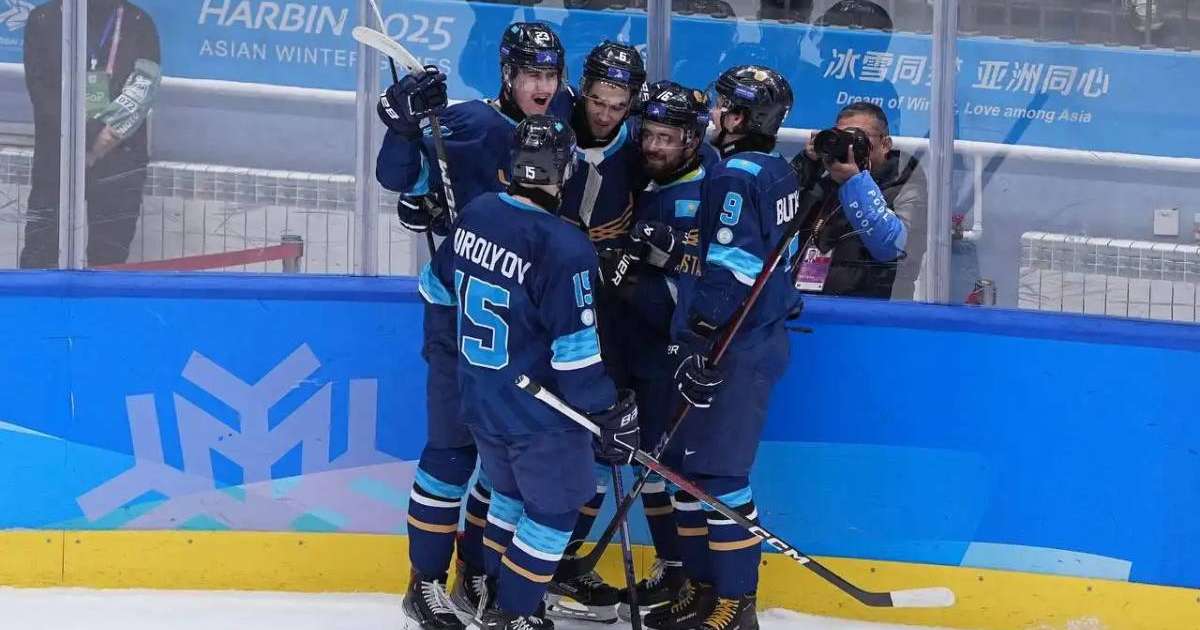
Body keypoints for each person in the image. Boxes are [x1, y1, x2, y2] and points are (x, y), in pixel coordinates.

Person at [374, 22, 573, 630]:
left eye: (550, 75)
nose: (542, 87)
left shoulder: (559, 119)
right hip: (465, 319)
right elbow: (400, 179)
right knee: (453, 452)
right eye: (531, 74)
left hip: (528, 327)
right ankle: (424, 584)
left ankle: (477, 580)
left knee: (504, 469)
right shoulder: (469, 122)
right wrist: (404, 126)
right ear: (507, 74)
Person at [419, 115, 640, 630]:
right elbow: (576, 360)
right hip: (540, 414)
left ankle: (491, 597)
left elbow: (435, 288)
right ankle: (512, 614)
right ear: (563, 173)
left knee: (509, 500)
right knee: (555, 513)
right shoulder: (565, 247)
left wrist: (453, 360)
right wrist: (609, 410)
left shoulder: (476, 215)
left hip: (481, 401)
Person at [652, 65, 802, 630]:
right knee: (691, 474)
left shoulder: (736, 175)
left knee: (719, 478)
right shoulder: (776, 170)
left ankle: (736, 604)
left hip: (733, 348)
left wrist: (696, 340)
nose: (714, 114)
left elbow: (734, 268)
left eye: (722, 107)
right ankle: (704, 589)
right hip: (749, 340)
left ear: (739, 117)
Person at [597, 80, 713, 617]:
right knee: (635, 459)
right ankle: (672, 567)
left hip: (668, 354)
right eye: (650, 134)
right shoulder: (649, 176)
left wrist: (666, 267)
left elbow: (714, 281)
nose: (655, 146)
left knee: (665, 465)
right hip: (628, 346)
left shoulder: (705, 192)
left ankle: (684, 573)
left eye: (668, 138)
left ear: (691, 140)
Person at [544, 40, 648, 625]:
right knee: (541, 454)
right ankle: (508, 571)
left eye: (618, 104)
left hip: (601, 322)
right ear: (581, 88)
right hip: (541, 317)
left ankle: (562, 566)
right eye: (599, 99)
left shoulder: (636, 151)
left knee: (593, 449)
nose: (606, 112)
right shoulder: (545, 125)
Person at [20, 0, 161, 268]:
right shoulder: (44, 18)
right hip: (58, 158)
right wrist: (84, 137)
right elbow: (42, 93)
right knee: (40, 254)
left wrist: (98, 143)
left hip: (118, 159)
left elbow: (142, 90)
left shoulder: (139, 22)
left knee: (109, 260)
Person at [789, 101, 925, 299]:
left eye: (859, 138)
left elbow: (890, 247)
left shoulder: (907, 182)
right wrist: (806, 166)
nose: (850, 146)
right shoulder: (825, 179)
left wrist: (854, 181)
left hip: (874, 309)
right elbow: (776, 224)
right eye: (844, 138)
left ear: (885, 144)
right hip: (808, 303)